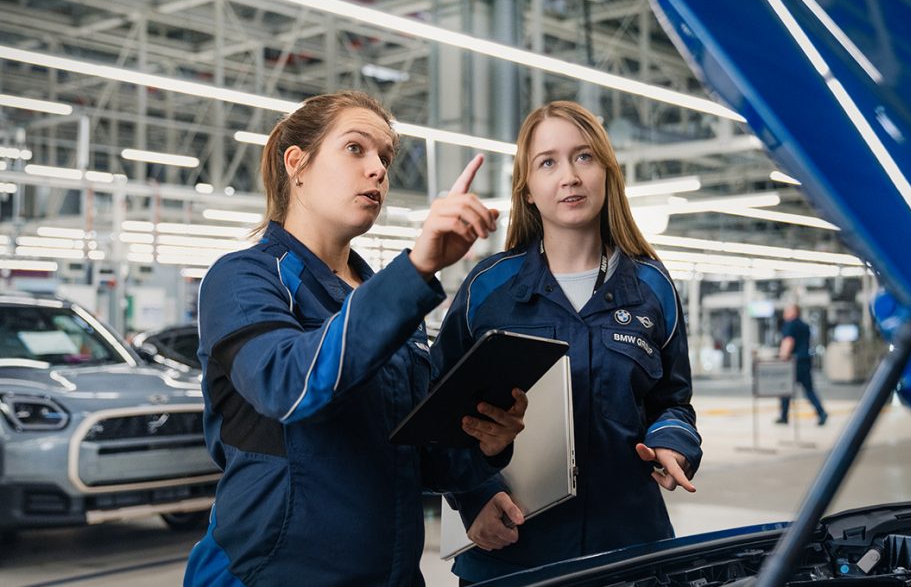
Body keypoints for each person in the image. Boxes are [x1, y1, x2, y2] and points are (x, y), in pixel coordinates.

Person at [187, 91, 526, 586]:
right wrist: (414, 270)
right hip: (267, 571)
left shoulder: (393, 302)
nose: (379, 170)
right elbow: (288, 383)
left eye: (385, 158)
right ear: (296, 164)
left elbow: (418, 454)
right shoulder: (243, 278)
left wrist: (484, 454)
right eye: (356, 149)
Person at [437, 101, 701, 583]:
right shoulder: (488, 290)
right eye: (548, 162)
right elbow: (438, 414)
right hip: (513, 557)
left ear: (606, 174)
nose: (570, 176)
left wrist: (672, 443)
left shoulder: (653, 288)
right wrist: (473, 497)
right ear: (529, 191)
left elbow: (674, 403)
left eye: (584, 157)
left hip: (628, 553)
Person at [777, 303, 828, 426]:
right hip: (805, 361)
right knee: (809, 390)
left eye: (787, 310)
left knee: (785, 389)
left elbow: (788, 341)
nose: (785, 313)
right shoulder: (805, 326)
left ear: (794, 312)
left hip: (793, 362)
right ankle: (821, 413)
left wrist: (782, 358)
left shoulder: (790, 325)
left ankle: (784, 416)